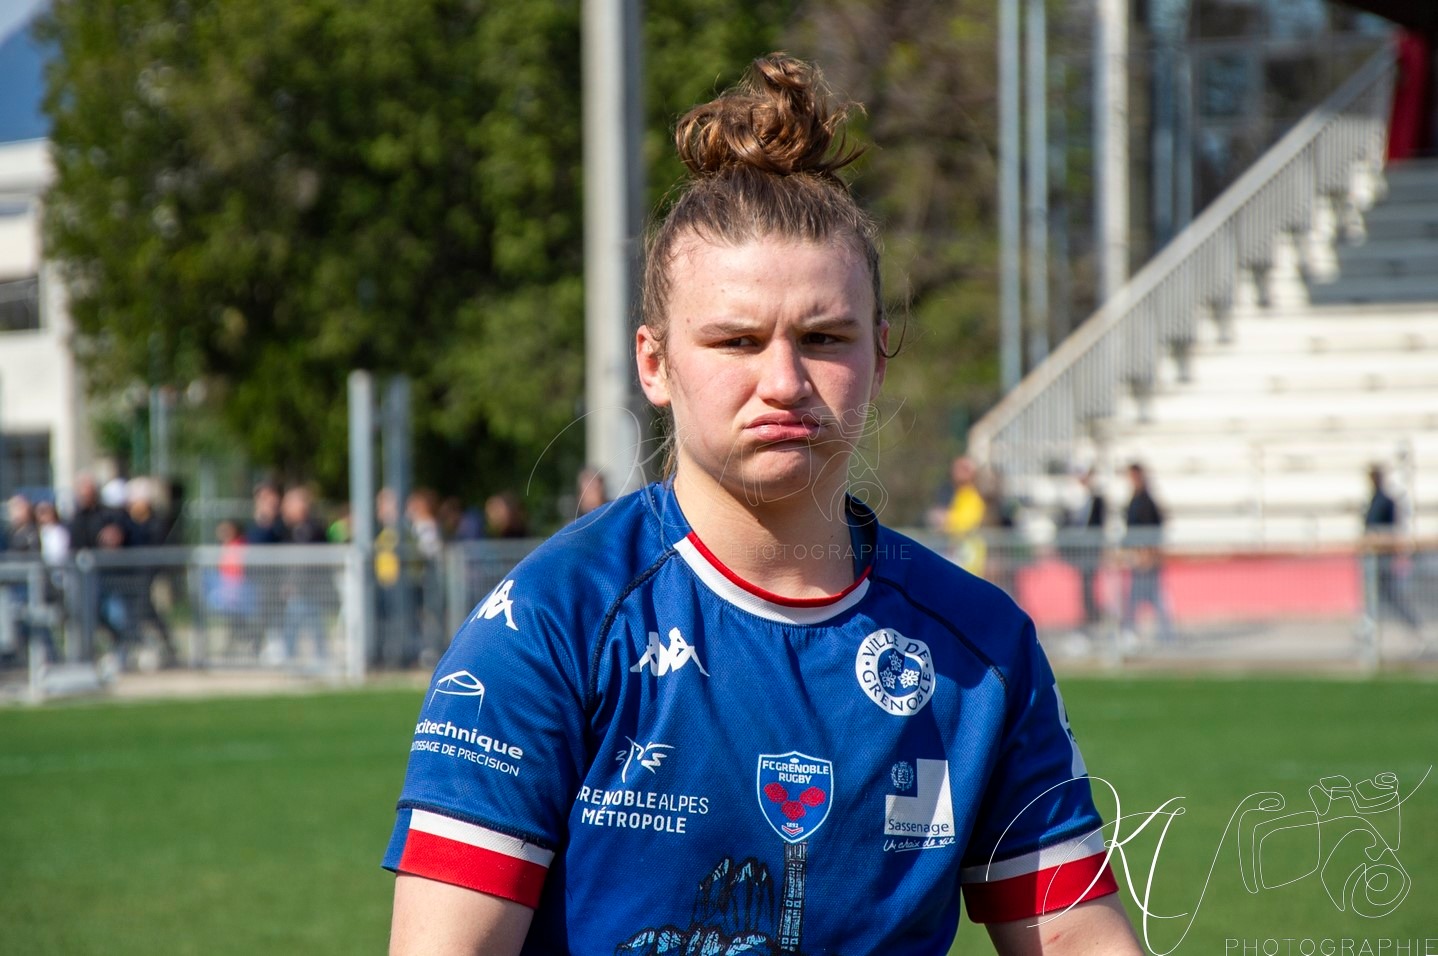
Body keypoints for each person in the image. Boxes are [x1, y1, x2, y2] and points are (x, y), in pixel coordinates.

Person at [384, 53, 1140, 955]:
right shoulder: (552, 624)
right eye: (737, 340)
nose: (784, 381)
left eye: (824, 337)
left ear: (879, 353)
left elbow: (1076, 936)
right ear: (655, 364)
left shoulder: (981, 649)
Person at [1362, 463, 1425, 645]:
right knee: (1373, 597)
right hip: (1373, 558)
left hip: (1382, 559)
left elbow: (1389, 528)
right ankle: (1369, 633)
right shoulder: (1374, 499)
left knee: (1390, 597)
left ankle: (1414, 629)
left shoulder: (1385, 500)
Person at [1120, 462, 1173, 644]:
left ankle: (1164, 632)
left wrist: (1148, 555)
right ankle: (1135, 632)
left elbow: (1153, 529)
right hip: (1138, 557)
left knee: (1152, 597)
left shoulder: (1147, 501)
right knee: (1140, 597)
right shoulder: (1135, 498)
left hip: (1146, 559)